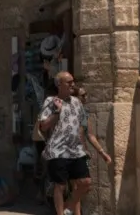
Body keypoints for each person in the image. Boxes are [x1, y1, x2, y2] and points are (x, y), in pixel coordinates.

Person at [38, 72, 91, 215]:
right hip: (58, 150)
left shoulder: (77, 102)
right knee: (60, 186)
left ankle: (69, 206)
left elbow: (80, 127)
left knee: (85, 182)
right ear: (59, 85)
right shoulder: (50, 101)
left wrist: (84, 147)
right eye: (69, 82)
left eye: (73, 81)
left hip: (76, 150)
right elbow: (43, 126)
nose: (72, 84)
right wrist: (56, 112)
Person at [76, 86, 112, 169]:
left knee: (85, 180)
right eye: (83, 95)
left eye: (86, 94)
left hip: (81, 153)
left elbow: (90, 135)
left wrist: (102, 153)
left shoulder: (84, 113)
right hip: (67, 153)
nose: (86, 97)